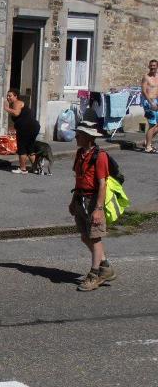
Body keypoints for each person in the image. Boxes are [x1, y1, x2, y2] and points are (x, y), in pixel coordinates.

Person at [68, 122, 116, 292]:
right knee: (85, 236)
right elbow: (78, 178)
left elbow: (102, 184)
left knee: (95, 238)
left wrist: (98, 209)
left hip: (93, 200)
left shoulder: (100, 156)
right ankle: (105, 266)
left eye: (79, 134)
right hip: (81, 198)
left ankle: (94, 275)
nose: (76, 137)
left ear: (88, 137)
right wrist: (73, 201)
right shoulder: (80, 153)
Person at [3, 88, 41, 174]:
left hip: (26, 128)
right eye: (7, 96)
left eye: (10, 96)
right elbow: (20, 117)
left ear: (16, 96)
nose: (8, 98)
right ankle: (36, 168)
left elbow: (16, 113)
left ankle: (23, 169)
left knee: (22, 148)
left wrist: (6, 108)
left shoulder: (17, 102)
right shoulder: (17, 103)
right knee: (30, 148)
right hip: (33, 127)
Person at [141, 59, 158, 153]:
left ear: (157, 67)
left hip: (157, 101)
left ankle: (147, 141)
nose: (152, 67)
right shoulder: (146, 77)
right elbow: (143, 91)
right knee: (152, 124)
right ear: (149, 66)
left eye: (154, 66)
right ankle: (148, 147)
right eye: (151, 66)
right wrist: (151, 103)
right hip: (149, 102)